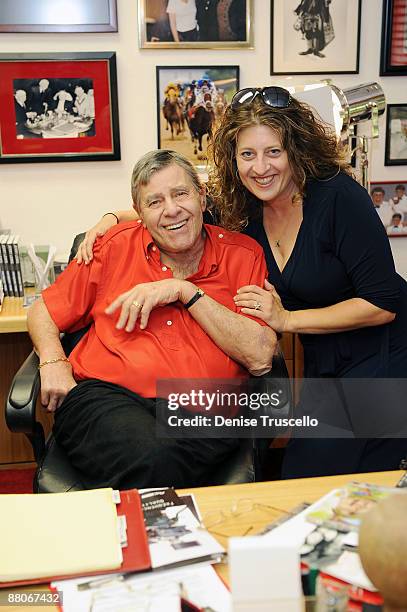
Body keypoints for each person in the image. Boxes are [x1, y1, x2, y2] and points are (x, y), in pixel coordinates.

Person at [78, 87, 407, 480]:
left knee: (340, 481)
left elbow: (382, 303)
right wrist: (108, 220)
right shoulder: (244, 204)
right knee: (307, 475)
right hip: (327, 357)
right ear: (233, 160)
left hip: (386, 353)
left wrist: (286, 322)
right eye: (247, 155)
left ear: (295, 150)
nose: (260, 167)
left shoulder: (339, 198)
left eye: (273, 152)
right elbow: (171, 206)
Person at [27, 150, 277, 490]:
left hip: (203, 414)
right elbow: (45, 309)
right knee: (156, 456)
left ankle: (118, 534)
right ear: (140, 213)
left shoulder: (243, 255)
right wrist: (53, 359)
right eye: (155, 202)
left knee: (160, 456)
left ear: (202, 197)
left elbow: (261, 357)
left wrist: (183, 292)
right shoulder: (113, 246)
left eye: (180, 194)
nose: (171, 210)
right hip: (105, 399)